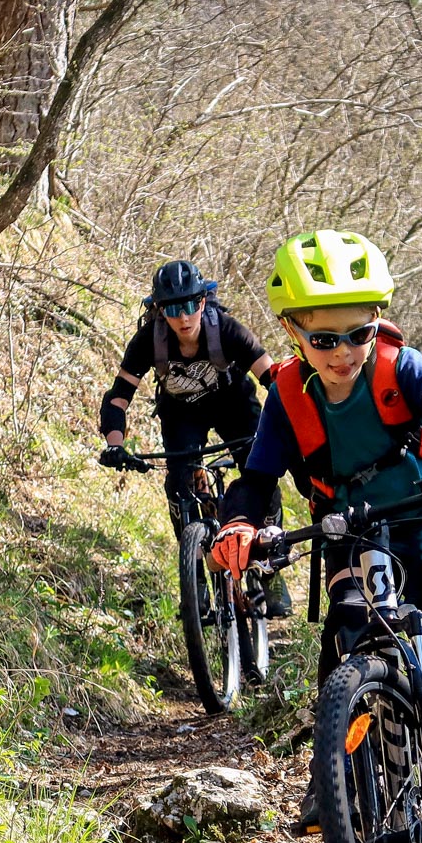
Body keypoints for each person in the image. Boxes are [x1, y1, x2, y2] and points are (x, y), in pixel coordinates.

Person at [209, 230, 422, 843]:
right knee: (342, 641)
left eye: (359, 332)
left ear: (377, 321)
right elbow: (256, 479)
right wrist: (238, 525)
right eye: (325, 339)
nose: (345, 352)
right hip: (349, 531)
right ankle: (337, 780)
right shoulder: (288, 396)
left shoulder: (396, 367)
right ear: (294, 331)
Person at [97, 262, 289, 614]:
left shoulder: (228, 331)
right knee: (179, 483)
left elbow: (274, 380)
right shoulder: (148, 341)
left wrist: (294, 422)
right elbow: (119, 396)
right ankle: (195, 575)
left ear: (203, 302)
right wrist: (114, 442)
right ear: (159, 310)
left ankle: (271, 566)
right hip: (182, 412)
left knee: (261, 474)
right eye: (172, 308)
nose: (183, 317)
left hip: (234, 405)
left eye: (190, 305)